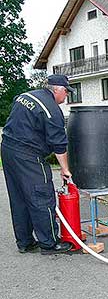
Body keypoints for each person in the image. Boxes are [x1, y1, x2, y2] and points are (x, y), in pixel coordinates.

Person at [1, 74, 74, 255]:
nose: (66, 97)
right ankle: (49, 243)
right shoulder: (52, 110)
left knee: (19, 197)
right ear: (57, 90)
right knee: (41, 195)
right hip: (28, 155)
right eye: (66, 92)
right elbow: (59, 145)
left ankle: (25, 242)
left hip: (8, 150)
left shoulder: (27, 96)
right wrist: (65, 170)